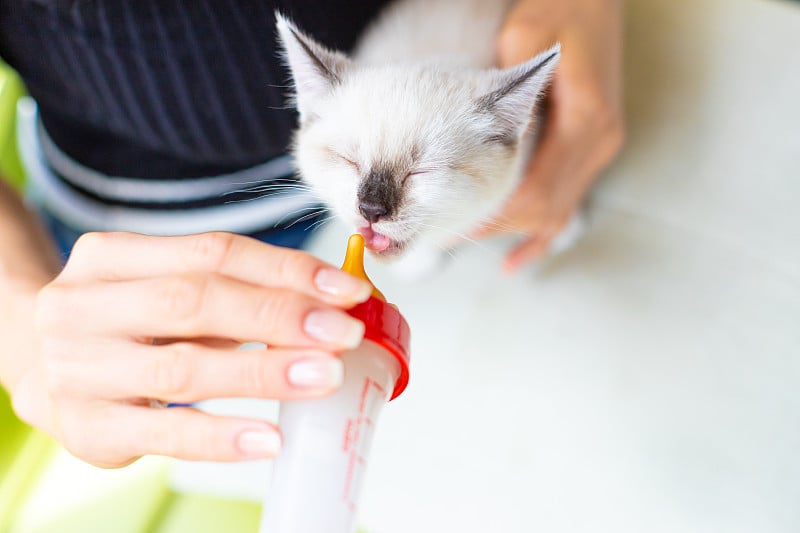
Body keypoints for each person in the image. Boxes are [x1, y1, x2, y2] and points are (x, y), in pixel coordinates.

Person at [0, 0, 623, 468]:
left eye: (419, 176)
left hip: (396, 99)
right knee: (154, 410)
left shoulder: (476, 119)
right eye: (354, 174)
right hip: (121, 225)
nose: (372, 208)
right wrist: (24, 339)